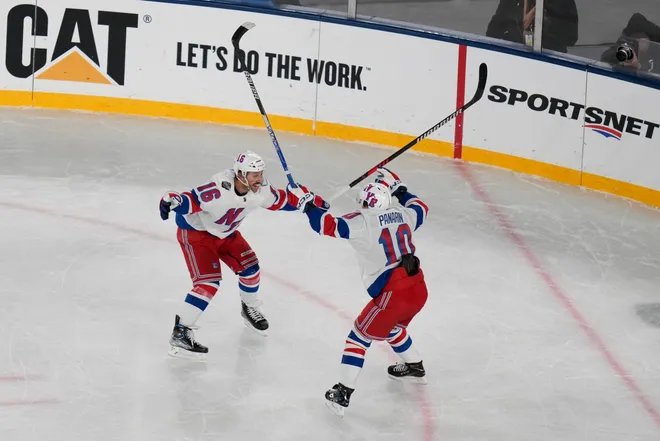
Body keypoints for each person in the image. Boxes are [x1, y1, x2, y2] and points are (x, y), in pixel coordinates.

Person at [287, 167, 429, 416]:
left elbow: (324, 225)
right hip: (418, 287)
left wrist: (306, 204)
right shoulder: (402, 213)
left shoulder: (361, 222)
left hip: (392, 293)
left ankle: (342, 393)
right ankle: (415, 366)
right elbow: (421, 207)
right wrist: (400, 189)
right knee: (393, 328)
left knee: (358, 337)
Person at [159, 151, 327, 359]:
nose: (260, 179)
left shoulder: (260, 189)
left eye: (260, 173)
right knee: (207, 284)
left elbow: (280, 201)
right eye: (254, 174)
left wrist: (310, 202)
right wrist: (172, 200)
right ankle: (181, 332)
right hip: (196, 234)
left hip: (225, 233)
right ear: (239, 174)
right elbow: (189, 200)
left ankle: (249, 308)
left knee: (251, 269)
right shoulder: (219, 188)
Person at [486, 0, 578, 53]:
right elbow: (492, 32)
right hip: (514, 60)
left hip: (547, 62)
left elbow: (571, 37)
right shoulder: (511, 1)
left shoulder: (560, 2)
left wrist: (541, 15)